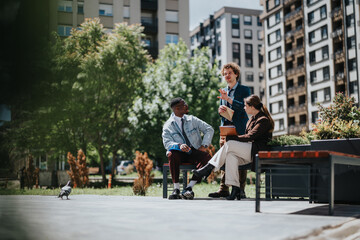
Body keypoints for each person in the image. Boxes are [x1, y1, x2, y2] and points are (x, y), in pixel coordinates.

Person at [193, 95, 274, 200]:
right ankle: (235, 189)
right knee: (231, 156)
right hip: (249, 150)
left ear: (252, 106)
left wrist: (234, 137)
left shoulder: (263, 120)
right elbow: (247, 138)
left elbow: (251, 136)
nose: (244, 108)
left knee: (230, 144)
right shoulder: (251, 120)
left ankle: (208, 168)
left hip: (256, 152)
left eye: (245, 106)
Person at [208, 62, 250, 199]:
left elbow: (244, 108)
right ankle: (223, 189)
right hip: (225, 131)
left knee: (239, 159)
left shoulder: (244, 90)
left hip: (239, 131)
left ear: (236, 74)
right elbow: (226, 111)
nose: (227, 76)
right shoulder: (223, 91)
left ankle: (241, 189)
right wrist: (221, 111)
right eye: (225, 74)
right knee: (224, 159)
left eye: (229, 73)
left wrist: (228, 99)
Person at [162, 97, 214, 200]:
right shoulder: (168, 125)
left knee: (207, 157)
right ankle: (176, 189)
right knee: (172, 154)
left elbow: (209, 129)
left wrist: (204, 145)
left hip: (194, 151)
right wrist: (179, 146)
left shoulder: (192, 119)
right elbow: (167, 143)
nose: (186, 106)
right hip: (179, 153)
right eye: (183, 105)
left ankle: (189, 188)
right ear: (176, 108)